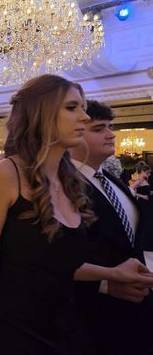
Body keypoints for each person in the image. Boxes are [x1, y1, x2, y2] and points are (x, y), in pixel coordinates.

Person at [0, 74, 152, 355]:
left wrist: (112, 273)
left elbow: (57, 264)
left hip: (70, 331)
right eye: (72, 107)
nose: (84, 117)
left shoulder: (69, 181)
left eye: (83, 108)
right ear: (41, 114)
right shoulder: (5, 174)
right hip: (20, 334)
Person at [70, 100, 153, 355]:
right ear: (74, 134)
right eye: (99, 129)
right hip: (93, 319)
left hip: (135, 313)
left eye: (110, 127)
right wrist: (104, 284)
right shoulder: (62, 184)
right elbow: (52, 258)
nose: (111, 134)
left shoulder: (110, 179)